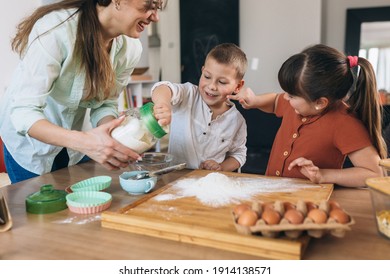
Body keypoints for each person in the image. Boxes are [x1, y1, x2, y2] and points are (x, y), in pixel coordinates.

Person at [0, 0, 167, 184]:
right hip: (31, 148)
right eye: (148, 6)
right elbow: (24, 112)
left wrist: (114, 137)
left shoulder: (130, 49)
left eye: (157, 8)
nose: (155, 17)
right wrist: (87, 142)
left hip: (78, 147)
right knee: (41, 210)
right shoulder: (56, 31)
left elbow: (105, 103)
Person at [229, 44, 386, 188]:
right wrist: (255, 100)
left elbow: (374, 173)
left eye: (291, 95)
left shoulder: (344, 123)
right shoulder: (296, 105)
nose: (285, 98)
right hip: (272, 191)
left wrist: (324, 174)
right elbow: (276, 102)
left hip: (308, 201)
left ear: (320, 102)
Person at [151, 43, 248, 172]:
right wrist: (163, 104)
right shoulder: (188, 94)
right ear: (202, 71)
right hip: (175, 178)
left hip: (210, 183)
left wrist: (221, 167)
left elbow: (238, 155)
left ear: (238, 86)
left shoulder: (237, 121)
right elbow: (162, 87)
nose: (212, 86)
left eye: (222, 82)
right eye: (207, 77)